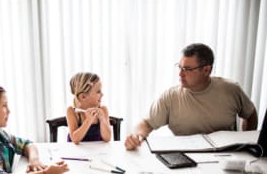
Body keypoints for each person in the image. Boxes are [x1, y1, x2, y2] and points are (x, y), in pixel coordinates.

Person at [125, 43, 258, 150]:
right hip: (187, 158)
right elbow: (147, 123)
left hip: (225, 157)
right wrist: (136, 136)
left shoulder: (231, 90)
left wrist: (245, 143)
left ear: (206, 70)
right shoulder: (171, 96)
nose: (180, 74)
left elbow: (250, 114)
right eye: (180, 67)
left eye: (187, 69)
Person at [66, 72, 111, 144]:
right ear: (83, 97)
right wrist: (88, 121)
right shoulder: (72, 111)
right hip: (76, 152)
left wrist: (102, 120)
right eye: (98, 92)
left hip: (97, 152)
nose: (102, 94)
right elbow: (75, 139)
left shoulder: (103, 110)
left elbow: (107, 138)